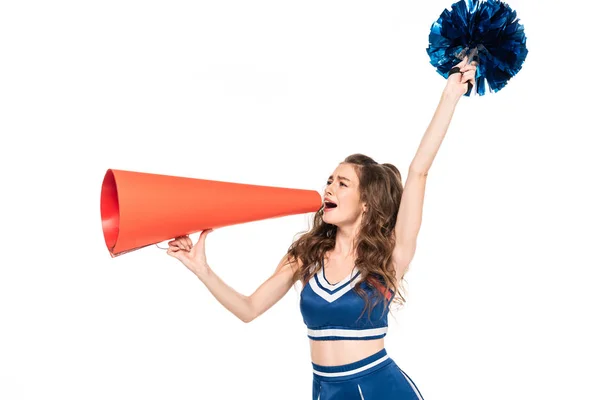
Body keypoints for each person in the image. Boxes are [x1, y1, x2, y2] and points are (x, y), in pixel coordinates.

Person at [166, 58, 477, 399]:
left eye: (342, 183)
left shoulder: (391, 255)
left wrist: (450, 94)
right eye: (330, 180)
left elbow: (418, 171)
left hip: (381, 389)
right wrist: (202, 269)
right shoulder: (307, 256)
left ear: (366, 203)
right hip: (325, 391)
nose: (329, 188)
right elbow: (249, 309)